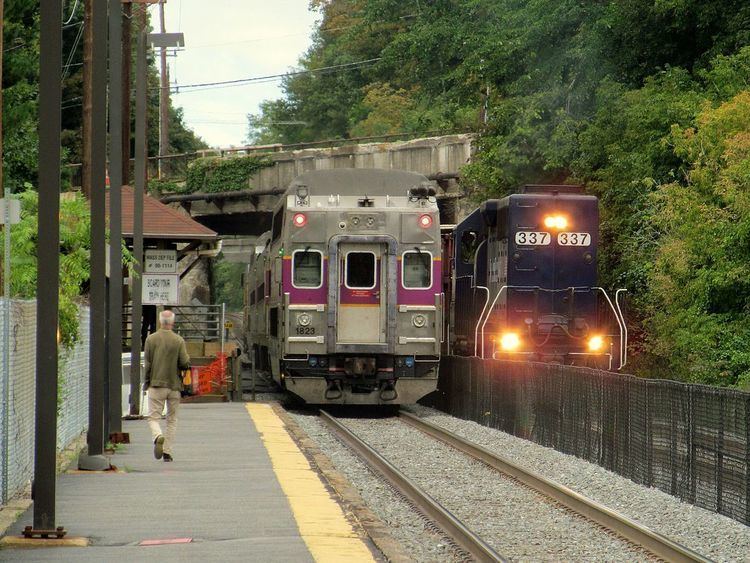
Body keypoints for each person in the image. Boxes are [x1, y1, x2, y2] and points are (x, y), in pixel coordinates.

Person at [144, 309, 190, 462]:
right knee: (172, 419)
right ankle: (167, 452)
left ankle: (158, 436)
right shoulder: (179, 340)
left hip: (156, 385)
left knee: (153, 418)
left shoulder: (151, 339)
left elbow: (148, 364)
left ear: (159, 322)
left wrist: (146, 384)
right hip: (174, 386)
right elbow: (184, 363)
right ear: (173, 323)